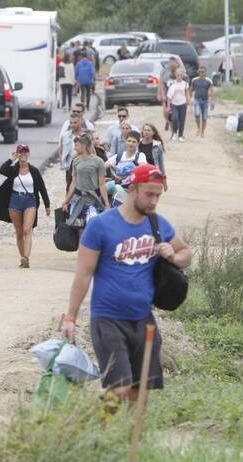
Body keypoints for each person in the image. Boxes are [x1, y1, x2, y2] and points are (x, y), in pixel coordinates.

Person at [63, 164, 192, 401]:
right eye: (149, 194)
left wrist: (173, 256)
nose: (154, 201)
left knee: (138, 391)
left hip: (144, 319)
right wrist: (71, 317)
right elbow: (83, 274)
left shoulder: (158, 225)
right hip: (107, 319)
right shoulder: (101, 225)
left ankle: (132, 437)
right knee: (118, 389)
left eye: (158, 195)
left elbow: (186, 254)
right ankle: (102, 429)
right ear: (132, 189)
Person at [0, 144, 51, 268]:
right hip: (15, 201)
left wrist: (47, 205)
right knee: (19, 232)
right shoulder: (13, 169)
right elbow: (2, 170)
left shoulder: (34, 171)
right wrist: (11, 159)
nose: (23, 154)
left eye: (25, 151)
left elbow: (42, 188)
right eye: (20, 152)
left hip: (30, 201)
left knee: (27, 230)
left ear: (29, 154)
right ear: (17, 154)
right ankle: (23, 258)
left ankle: (26, 257)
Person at [63, 133, 109, 215]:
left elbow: (102, 184)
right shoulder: (75, 161)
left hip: (93, 200)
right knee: (75, 225)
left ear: (83, 145)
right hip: (78, 200)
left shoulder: (98, 162)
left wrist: (106, 204)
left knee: (91, 223)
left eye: (76, 145)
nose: (74, 148)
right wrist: (66, 201)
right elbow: (73, 183)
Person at [59, 108, 89, 188]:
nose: (72, 125)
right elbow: (61, 150)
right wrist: (63, 163)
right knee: (69, 188)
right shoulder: (65, 136)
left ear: (80, 122)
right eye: (71, 123)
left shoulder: (86, 135)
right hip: (69, 167)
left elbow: (91, 151)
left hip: (83, 167)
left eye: (75, 123)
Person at [190, 67, 215, 138]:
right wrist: (190, 99)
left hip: (205, 101)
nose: (201, 73)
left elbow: (212, 91)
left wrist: (212, 101)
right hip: (197, 100)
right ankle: (198, 128)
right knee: (197, 114)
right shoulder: (194, 80)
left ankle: (202, 132)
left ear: (206, 72)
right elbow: (191, 89)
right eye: (200, 71)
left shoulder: (209, 81)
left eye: (203, 71)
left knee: (204, 118)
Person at [167, 70, 189, 142]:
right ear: (175, 75)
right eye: (178, 75)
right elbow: (169, 96)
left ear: (182, 75)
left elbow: (187, 93)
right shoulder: (172, 83)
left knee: (182, 120)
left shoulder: (185, 84)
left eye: (180, 75)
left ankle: (180, 135)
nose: (179, 76)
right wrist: (168, 106)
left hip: (183, 103)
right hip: (174, 104)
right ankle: (175, 133)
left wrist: (189, 102)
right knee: (174, 118)